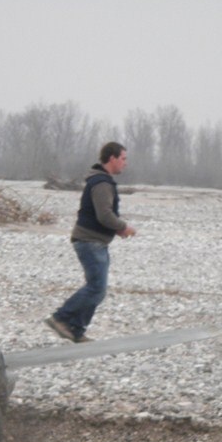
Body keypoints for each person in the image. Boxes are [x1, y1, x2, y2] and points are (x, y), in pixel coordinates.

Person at [46, 142, 136, 343]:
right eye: (123, 158)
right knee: (96, 288)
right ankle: (61, 318)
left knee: (97, 289)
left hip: (95, 241)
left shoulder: (101, 181)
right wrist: (123, 226)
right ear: (112, 158)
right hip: (89, 241)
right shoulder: (102, 183)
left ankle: (76, 329)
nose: (125, 163)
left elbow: (102, 216)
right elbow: (104, 215)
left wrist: (117, 229)